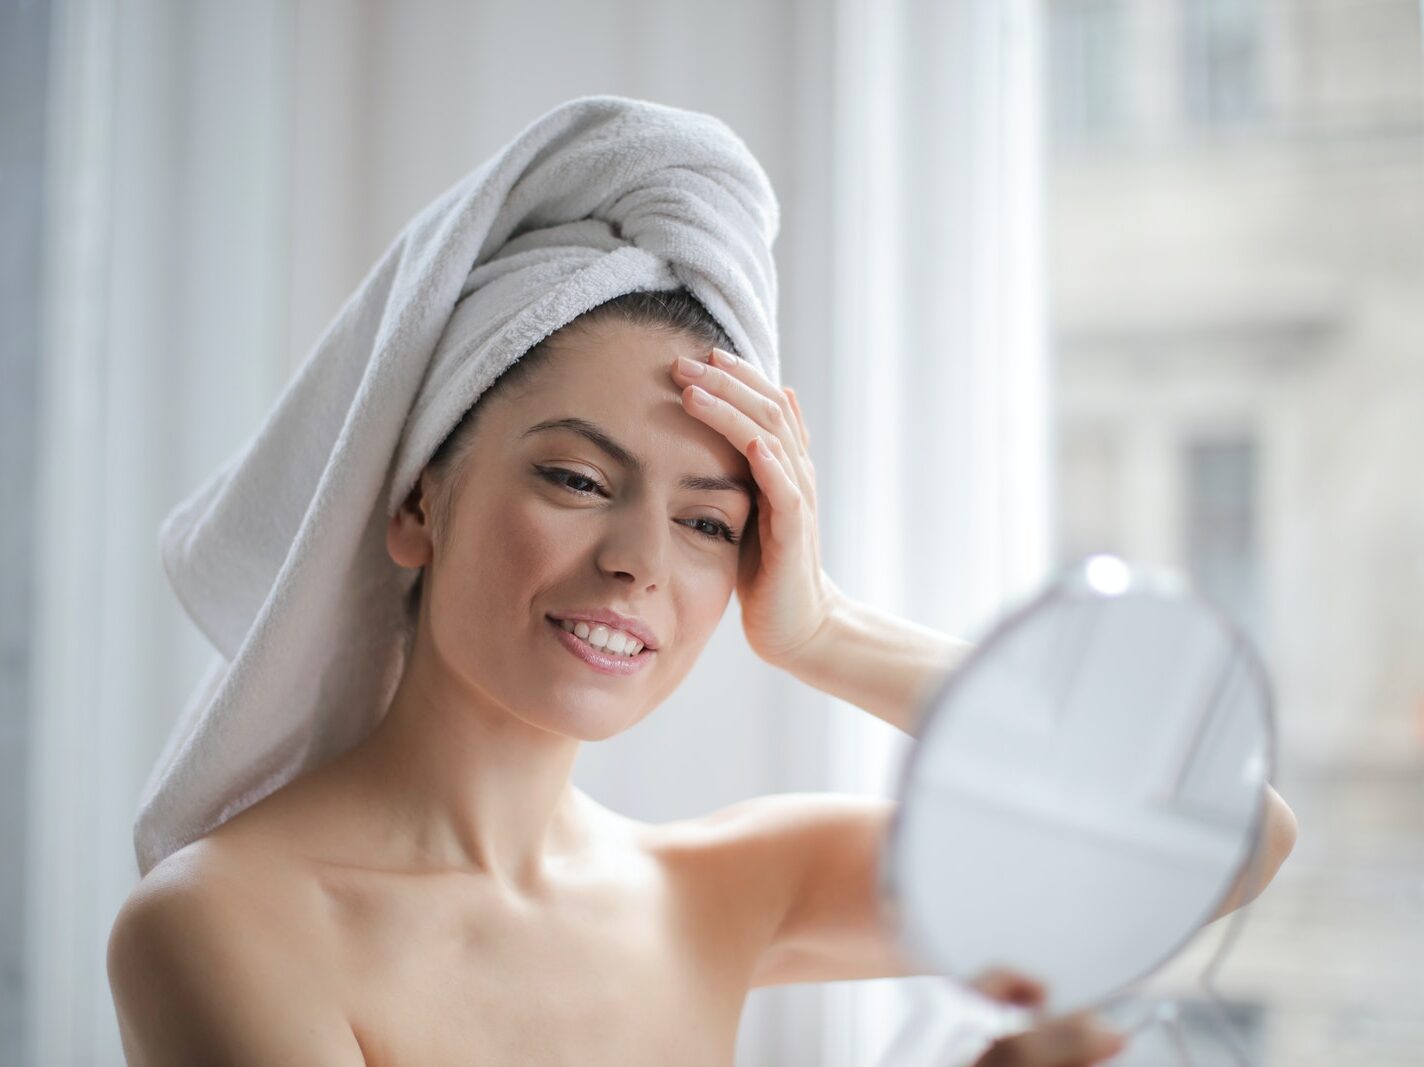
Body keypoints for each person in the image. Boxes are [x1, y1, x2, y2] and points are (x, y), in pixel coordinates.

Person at [107, 288, 1296, 1065]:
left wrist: (824, 630)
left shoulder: (720, 887)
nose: (634, 560)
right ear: (418, 498)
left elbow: (1228, 837)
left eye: (709, 523)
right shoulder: (225, 922)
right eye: (576, 478)